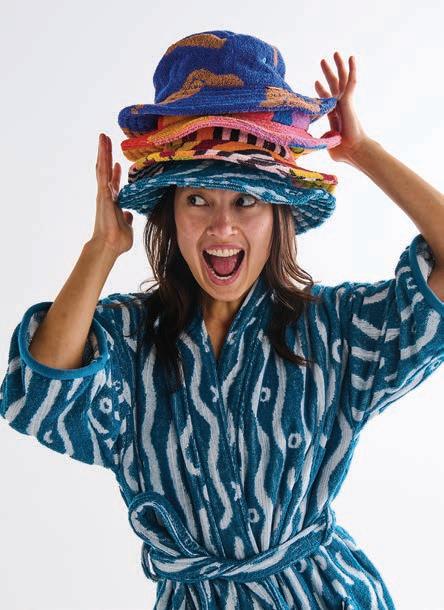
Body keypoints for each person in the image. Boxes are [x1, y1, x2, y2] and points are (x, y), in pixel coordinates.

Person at [1, 32, 444, 610]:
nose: (222, 227)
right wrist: (102, 248)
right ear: (170, 213)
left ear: (278, 215)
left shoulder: (333, 330)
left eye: (246, 200)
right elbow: (41, 393)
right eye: (198, 200)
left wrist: (362, 151)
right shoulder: (128, 339)